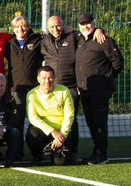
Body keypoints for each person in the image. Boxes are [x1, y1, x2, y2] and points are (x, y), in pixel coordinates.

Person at [74, 13, 123, 165]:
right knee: (91, 121)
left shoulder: (104, 40)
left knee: (99, 121)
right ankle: (97, 150)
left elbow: (118, 63)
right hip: (84, 89)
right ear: (79, 26)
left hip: (100, 89)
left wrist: (105, 78)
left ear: (93, 23)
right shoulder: (80, 40)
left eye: (88, 23)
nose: (85, 26)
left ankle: (102, 154)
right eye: (82, 24)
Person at [41, 16, 82, 161]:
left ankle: (73, 151)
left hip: (70, 87)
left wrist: (99, 30)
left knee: (71, 120)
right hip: (52, 88)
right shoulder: (44, 40)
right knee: (52, 118)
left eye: (58, 26)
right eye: (51, 27)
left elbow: (87, 33)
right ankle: (53, 148)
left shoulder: (73, 36)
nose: (55, 29)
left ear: (63, 25)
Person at [26, 67, 75, 166]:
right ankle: (37, 156)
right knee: (32, 132)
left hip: (61, 133)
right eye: (44, 78)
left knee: (61, 163)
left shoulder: (64, 91)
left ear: (54, 78)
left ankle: (55, 150)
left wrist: (62, 136)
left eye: (50, 77)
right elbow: (32, 118)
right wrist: (53, 132)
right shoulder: (31, 94)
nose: (47, 81)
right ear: (38, 79)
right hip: (45, 131)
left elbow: (69, 115)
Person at [5, 15, 42, 108]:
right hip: (16, 87)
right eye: (17, 27)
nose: (20, 29)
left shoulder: (38, 40)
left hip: (35, 86)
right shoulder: (8, 43)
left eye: (23, 26)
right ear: (13, 28)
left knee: (35, 115)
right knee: (17, 116)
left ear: (28, 27)